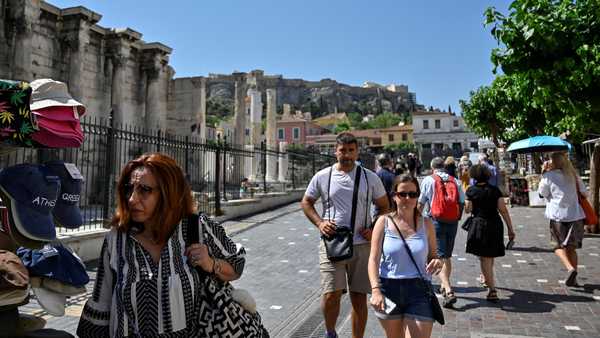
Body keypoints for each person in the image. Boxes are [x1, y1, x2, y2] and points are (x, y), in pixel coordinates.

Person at [77, 153, 268, 337]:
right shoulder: (117, 239)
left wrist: (210, 264)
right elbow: (101, 303)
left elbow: (236, 266)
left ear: (169, 192)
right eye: (129, 189)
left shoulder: (196, 227)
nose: (132, 199)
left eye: (144, 190)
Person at [301, 132, 390, 338]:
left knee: (359, 298)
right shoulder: (323, 176)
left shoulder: (371, 177)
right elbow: (306, 202)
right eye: (343, 150)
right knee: (331, 294)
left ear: (357, 151)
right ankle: (330, 332)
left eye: (351, 150)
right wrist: (320, 222)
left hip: (362, 245)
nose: (347, 155)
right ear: (335, 151)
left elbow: (385, 207)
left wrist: (375, 227)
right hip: (332, 244)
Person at [368, 174, 443, 338]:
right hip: (388, 288)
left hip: (419, 290)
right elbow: (373, 259)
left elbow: (433, 256)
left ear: (417, 197)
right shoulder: (383, 222)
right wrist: (375, 290)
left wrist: (437, 262)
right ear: (394, 196)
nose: (408, 198)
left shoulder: (427, 224)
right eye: (402, 194)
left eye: (413, 194)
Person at [417, 157, 464, 308]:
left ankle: (448, 289)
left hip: (435, 221)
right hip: (452, 222)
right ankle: (444, 286)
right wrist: (457, 217)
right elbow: (462, 202)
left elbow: (421, 203)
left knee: (439, 256)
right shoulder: (455, 180)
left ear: (432, 167)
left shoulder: (428, 180)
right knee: (447, 256)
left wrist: (415, 222)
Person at [464, 164, 516, 302]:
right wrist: (510, 229)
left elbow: (468, 210)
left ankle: (492, 289)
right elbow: (503, 210)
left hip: (479, 224)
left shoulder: (471, 190)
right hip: (495, 223)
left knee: (484, 257)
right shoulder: (495, 190)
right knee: (489, 255)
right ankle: (487, 278)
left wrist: (468, 203)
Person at [538, 152, 587, 287]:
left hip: (557, 216)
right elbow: (585, 193)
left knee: (557, 246)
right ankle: (574, 277)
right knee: (572, 248)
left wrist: (543, 174)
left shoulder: (548, 176)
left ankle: (570, 269)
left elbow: (542, 193)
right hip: (575, 215)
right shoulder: (574, 175)